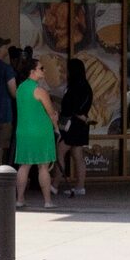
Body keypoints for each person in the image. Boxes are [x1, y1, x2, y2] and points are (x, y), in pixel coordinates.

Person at [12, 51, 58, 204]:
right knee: (43, 167)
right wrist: (56, 127)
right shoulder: (39, 91)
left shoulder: (20, 89)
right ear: (32, 72)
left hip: (23, 131)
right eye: (41, 68)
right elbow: (51, 112)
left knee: (24, 166)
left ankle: (19, 199)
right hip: (41, 131)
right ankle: (47, 201)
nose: (43, 70)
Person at [55, 56, 95, 199]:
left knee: (60, 152)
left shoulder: (78, 86)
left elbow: (75, 108)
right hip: (79, 126)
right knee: (77, 155)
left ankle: (54, 184)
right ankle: (80, 186)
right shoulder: (83, 85)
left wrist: (77, 114)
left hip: (73, 126)